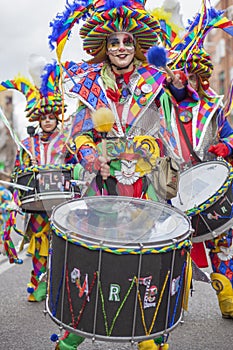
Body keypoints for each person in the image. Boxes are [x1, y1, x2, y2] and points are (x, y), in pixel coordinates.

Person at [48, 0, 196, 349]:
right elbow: (80, 136)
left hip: (148, 191)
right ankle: (74, 334)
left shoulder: (156, 79)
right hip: (105, 189)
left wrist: (177, 84)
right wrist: (88, 158)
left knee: (150, 259)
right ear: (104, 47)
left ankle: (151, 336)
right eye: (114, 42)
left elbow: (186, 104)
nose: (121, 48)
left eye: (128, 42)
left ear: (137, 46)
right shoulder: (89, 85)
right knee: (97, 259)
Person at [0, 61, 78, 302]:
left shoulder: (67, 140)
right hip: (36, 204)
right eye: (43, 117)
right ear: (37, 119)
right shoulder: (28, 145)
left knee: (63, 243)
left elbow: (77, 166)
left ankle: (61, 284)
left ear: (57, 118)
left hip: (62, 201)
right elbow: (20, 172)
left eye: (51, 117)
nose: (46, 121)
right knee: (38, 243)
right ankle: (38, 282)